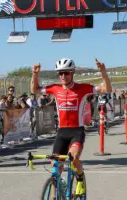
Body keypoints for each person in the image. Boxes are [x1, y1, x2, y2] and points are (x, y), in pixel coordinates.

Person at [30, 58, 112, 195]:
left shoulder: (82, 88)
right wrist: (35, 73)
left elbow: (107, 89)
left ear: (72, 72)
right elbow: (35, 90)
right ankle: (56, 193)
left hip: (76, 131)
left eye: (66, 73)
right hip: (62, 132)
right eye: (60, 73)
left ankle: (79, 178)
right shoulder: (55, 88)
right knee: (55, 165)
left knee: (73, 158)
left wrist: (103, 72)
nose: (63, 76)